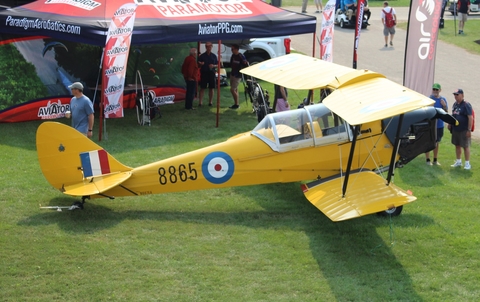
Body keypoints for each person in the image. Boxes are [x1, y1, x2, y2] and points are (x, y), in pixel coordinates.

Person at [448, 89, 473, 170]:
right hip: (456, 129)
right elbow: (453, 115)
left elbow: (470, 117)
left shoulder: (466, 105)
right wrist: (450, 124)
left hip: (464, 130)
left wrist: (469, 130)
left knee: (465, 146)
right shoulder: (455, 104)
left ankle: (467, 164)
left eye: (457, 95)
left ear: (462, 95)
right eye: (455, 95)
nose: (455, 96)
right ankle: (458, 161)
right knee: (457, 145)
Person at [425, 83, 448, 165]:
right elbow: (425, 112)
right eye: (433, 89)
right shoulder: (429, 99)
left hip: (439, 125)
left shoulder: (443, 100)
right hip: (430, 124)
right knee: (428, 141)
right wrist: (430, 106)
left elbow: (446, 113)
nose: (435, 91)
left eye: (436, 89)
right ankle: (427, 159)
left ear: (440, 90)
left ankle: (435, 159)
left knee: (437, 142)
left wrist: (444, 106)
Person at [198, 42, 218, 106]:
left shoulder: (214, 56)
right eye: (207, 47)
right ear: (205, 47)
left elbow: (217, 65)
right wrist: (200, 64)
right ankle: (200, 102)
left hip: (211, 73)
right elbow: (198, 64)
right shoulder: (202, 56)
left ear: (211, 47)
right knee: (202, 88)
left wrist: (213, 66)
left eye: (210, 47)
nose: (208, 48)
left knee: (211, 88)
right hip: (204, 73)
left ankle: (210, 102)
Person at [229, 44, 248, 109]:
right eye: (231, 49)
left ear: (237, 49)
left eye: (232, 49)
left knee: (232, 90)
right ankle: (236, 103)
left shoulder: (241, 56)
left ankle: (236, 104)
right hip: (232, 74)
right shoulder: (233, 56)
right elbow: (231, 63)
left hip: (238, 75)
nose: (231, 50)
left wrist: (244, 64)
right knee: (235, 89)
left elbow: (245, 64)